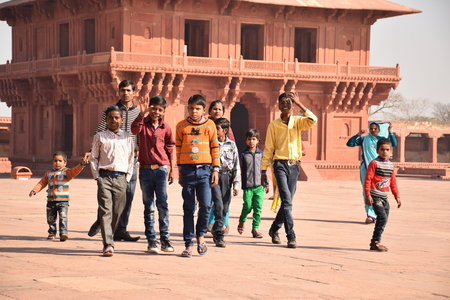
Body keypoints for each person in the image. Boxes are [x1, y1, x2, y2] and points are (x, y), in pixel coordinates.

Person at [86, 80, 141, 241]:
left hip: (130, 159)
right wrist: (91, 152)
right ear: (119, 92)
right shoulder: (110, 111)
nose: (125, 93)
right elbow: (99, 131)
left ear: (133, 92)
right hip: (111, 159)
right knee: (107, 198)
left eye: (129, 90)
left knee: (127, 196)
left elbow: (139, 133)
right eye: (122, 90)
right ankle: (102, 221)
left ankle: (120, 229)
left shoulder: (138, 112)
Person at [261, 92, 317, 249]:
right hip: (279, 164)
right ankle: (291, 235)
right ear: (278, 105)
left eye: (289, 102)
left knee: (287, 202)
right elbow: (269, 148)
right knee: (287, 201)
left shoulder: (298, 122)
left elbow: (314, 120)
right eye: (283, 102)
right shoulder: (274, 125)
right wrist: (263, 170)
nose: (285, 104)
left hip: (295, 166)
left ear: (292, 106)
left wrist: (300, 104)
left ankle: (274, 229)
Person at [176, 94, 220, 257]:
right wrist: (179, 172)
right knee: (188, 208)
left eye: (198, 109)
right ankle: (188, 243)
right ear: (187, 108)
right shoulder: (181, 126)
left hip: (205, 171)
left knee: (206, 205)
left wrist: (216, 169)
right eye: (191, 108)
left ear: (203, 109)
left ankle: (200, 234)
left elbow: (215, 148)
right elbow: (178, 149)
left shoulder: (210, 126)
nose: (194, 111)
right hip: (187, 171)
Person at [131, 95, 176, 254]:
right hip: (145, 169)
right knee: (148, 206)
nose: (156, 112)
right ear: (149, 107)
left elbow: (170, 146)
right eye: (154, 108)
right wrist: (141, 114)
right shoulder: (143, 124)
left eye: (160, 109)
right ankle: (151, 241)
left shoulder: (166, 127)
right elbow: (134, 129)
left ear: (164, 111)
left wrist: (171, 167)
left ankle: (165, 239)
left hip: (161, 169)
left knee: (162, 205)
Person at [89, 105, 134, 256]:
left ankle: (102, 226)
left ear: (121, 120)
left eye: (116, 117)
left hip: (121, 178)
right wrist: (98, 177)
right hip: (105, 177)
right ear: (106, 119)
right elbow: (93, 158)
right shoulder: (100, 136)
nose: (113, 120)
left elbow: (130, 159)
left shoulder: (128, 137)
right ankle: (108, 244)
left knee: (117, 211)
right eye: (110, 117)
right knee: (106, 211)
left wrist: (127, 178)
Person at [29, 151, 87, 241]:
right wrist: (34, 190)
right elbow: (42, 183)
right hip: (51, 201)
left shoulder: (67, 173)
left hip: (63, 201)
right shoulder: (49, 174)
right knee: (50, 218)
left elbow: (75, 171)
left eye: (60, 161)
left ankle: (63, 233)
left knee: (63, 217)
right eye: (55, 161)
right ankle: (52, 233)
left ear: (65, 163)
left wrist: (81, 164)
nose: (57, 163)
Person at [346, 122, 398, 224]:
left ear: (378, 130)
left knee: (379, 190)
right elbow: (350, 143)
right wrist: (358, 135)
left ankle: (378, 212)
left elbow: (394, 144)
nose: (373, 130)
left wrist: (390, 131)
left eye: (375, 128)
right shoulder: (364, 139)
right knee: (367, 191)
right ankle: (370, 214)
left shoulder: (381, 139)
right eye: (371, 128)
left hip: (379, 168)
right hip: (365, 168)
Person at [364, 138, 401, 251]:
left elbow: (392, 182)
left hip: (385, 197)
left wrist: (397, 196)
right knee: (382, 217)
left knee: (384, 220)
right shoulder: (374, 163)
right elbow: (368, 179)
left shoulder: (390, 165)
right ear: (377, 150)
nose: (384, 152)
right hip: (375, 196)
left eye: (387, 150)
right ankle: (375, 242)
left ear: (391, 151)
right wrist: (367, 194)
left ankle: (374, 242)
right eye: (382, 149)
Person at [211, 118, 240, 247]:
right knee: (218, 204)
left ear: (225, 130)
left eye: (217, 128)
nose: (215, 131)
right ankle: (219, 234)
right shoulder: (211, 143)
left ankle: (217, 227)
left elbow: (236, 165)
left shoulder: (232, 145)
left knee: (225, 207)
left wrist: (236, 184)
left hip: (227, 177)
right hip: (214, 176)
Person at [207, 100, 234, 234]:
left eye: (219, 109)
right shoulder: (205, 125)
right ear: (209, 110)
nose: (217, 111)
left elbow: (232, 147)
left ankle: (224, 222)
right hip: (209, 167)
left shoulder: (226, 127)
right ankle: (210, 221)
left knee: (224, 199)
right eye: (214, 109)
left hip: (224, 170)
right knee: (209, 199)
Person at [238, 129, 268, 238]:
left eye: (254, 139)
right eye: (249, 139)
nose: (251, 141)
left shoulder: (261, 154)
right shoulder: (243, 154)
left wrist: (267, 183)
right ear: (246, 141)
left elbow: (264, 170)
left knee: (258, 207)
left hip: (259, 186)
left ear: (258, 141)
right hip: (248, 186)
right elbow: (238, 169)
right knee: (248, 206)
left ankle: (255, 228)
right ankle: (242, 220)